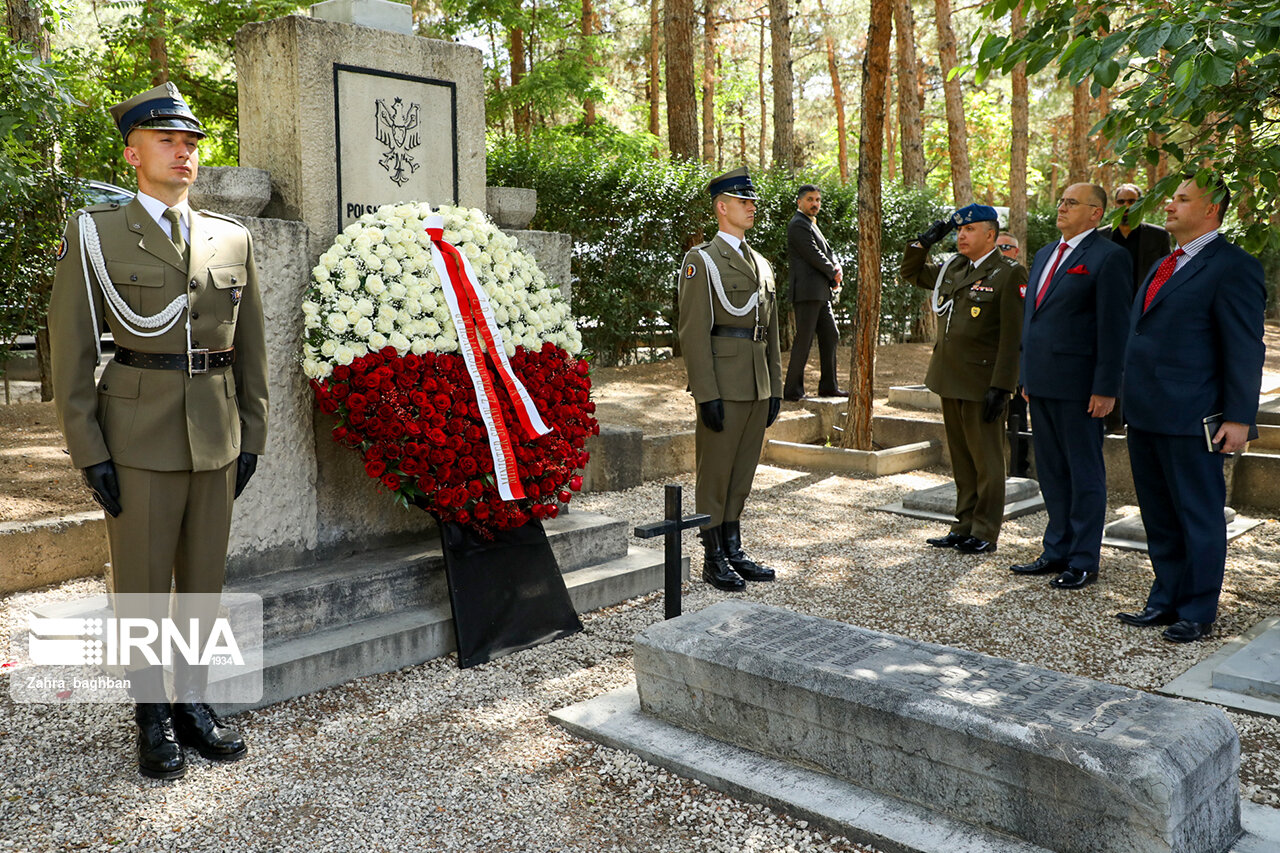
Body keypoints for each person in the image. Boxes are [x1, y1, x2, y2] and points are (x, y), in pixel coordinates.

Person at [49, 83, 269, 778]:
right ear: (132, 153)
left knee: (203, 578)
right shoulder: (97, 233)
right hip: (137, 434)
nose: (184, 153)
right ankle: (150, 711)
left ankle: (193, 702)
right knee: (143, 583)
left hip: (215, 431)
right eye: (168, 141)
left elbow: (252, 345)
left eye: (191, 143)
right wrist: (89, 449)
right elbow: (72, 352)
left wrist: (254, 433)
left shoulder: (231, 237)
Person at [1116, 175, 1265, 642]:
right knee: (1158, 514)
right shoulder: (1165, 263)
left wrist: (1239, 417)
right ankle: (1165, 599)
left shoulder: (1233, 266)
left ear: (1211, 210)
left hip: (1193, 415)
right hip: (1146, 412)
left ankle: (1198, 610)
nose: (1170, 205)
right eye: (1172, 198)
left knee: (1197, 515)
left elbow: (1244, 348)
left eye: (1183, 199)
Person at [1010, 185, 1131, 590]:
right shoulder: (1045, 253)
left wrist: (1106, 387)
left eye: (1072, 203)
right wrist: (1026, 374)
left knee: (1083, 473)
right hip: (1041, 383)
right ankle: (1055, 549)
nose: (1061, 206)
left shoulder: (1109, 257)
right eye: (1061, 200)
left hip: (1081, 387)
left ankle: (1083, 558)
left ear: (1095, 214)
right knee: (1052, 471)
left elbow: (1113, 328)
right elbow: (1033, 319)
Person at [678, 166, 782, 590]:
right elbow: (693, 331)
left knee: (742, 472)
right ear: (722, 208)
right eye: (743, 201)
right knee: (716, 472)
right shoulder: (701, 260)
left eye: (752, 201)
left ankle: (734, 547)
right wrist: (706, 393)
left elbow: (771, 331)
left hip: (756, 383)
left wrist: (774, 386)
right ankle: (713, 556)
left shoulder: (761, 263)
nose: (751, 207)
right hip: (724, 381)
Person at [901, 205, 1026, 554]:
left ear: (991, 235)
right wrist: (923, 242)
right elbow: (910, 272)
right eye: (959, 230)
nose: (961, 236)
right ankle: (963, 525)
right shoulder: (954, 268)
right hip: (948, 376)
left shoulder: (1008, 273)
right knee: (961, 458)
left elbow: (1013, 336)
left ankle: (985, 531)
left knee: (986, 460)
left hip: (982, 381)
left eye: (970, 230)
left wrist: (1002, 386)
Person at [782, 184, 845, 401]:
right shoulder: (798, 224)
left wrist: (836, 268)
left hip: (820, 292)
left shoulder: (811, 224)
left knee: (831, 334)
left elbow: (828, 252)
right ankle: (792, 391)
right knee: (804, 340)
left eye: (817, 200)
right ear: (799, 202)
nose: (815, 204)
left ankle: (828, 386)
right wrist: (833, 272)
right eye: (810, 199)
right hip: (807, 292)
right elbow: (813, 254)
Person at [997, 233, 1031, 478]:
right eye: (997, 247)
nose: (1001, 251)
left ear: (1015, 251)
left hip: (1015, 360)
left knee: (1017, 418)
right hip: (990, 361)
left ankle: (1019, 469)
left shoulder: (1019, 275)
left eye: (1006, 247)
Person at [1099, 183, 1172, 297]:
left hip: (1144, 303)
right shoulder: (1100, 236)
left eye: (1131, 201)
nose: (1126, 206)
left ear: (1140, 203)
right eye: (1121, 202)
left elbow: (1166, 272)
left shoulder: (1158, 236)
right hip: (1109, 301)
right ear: (1115, 205)